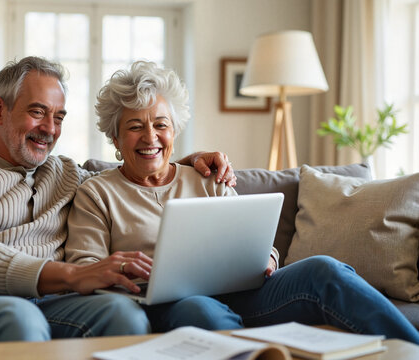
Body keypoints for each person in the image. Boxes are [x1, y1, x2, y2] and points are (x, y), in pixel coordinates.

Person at [0, 56, 237, 345]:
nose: (50, 128)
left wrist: (186, 161)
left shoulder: (66, 174)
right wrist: (74, 275)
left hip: (39, 304)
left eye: (59, 117)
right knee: (17, 319)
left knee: (122, 314)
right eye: (37, 112)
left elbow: (130, 174)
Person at [64, 60, 419, 343]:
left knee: (324, 270)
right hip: (168, 305)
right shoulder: (97, 193)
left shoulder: (206, 177)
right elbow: (85, 269)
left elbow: (258, 242)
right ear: (115, 136)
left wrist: (267, 256)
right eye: (135, 126)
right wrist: (129, 269)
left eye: (161, 124)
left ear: (174, 130)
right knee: (199, 309)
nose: (151, 137)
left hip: (242, 292)